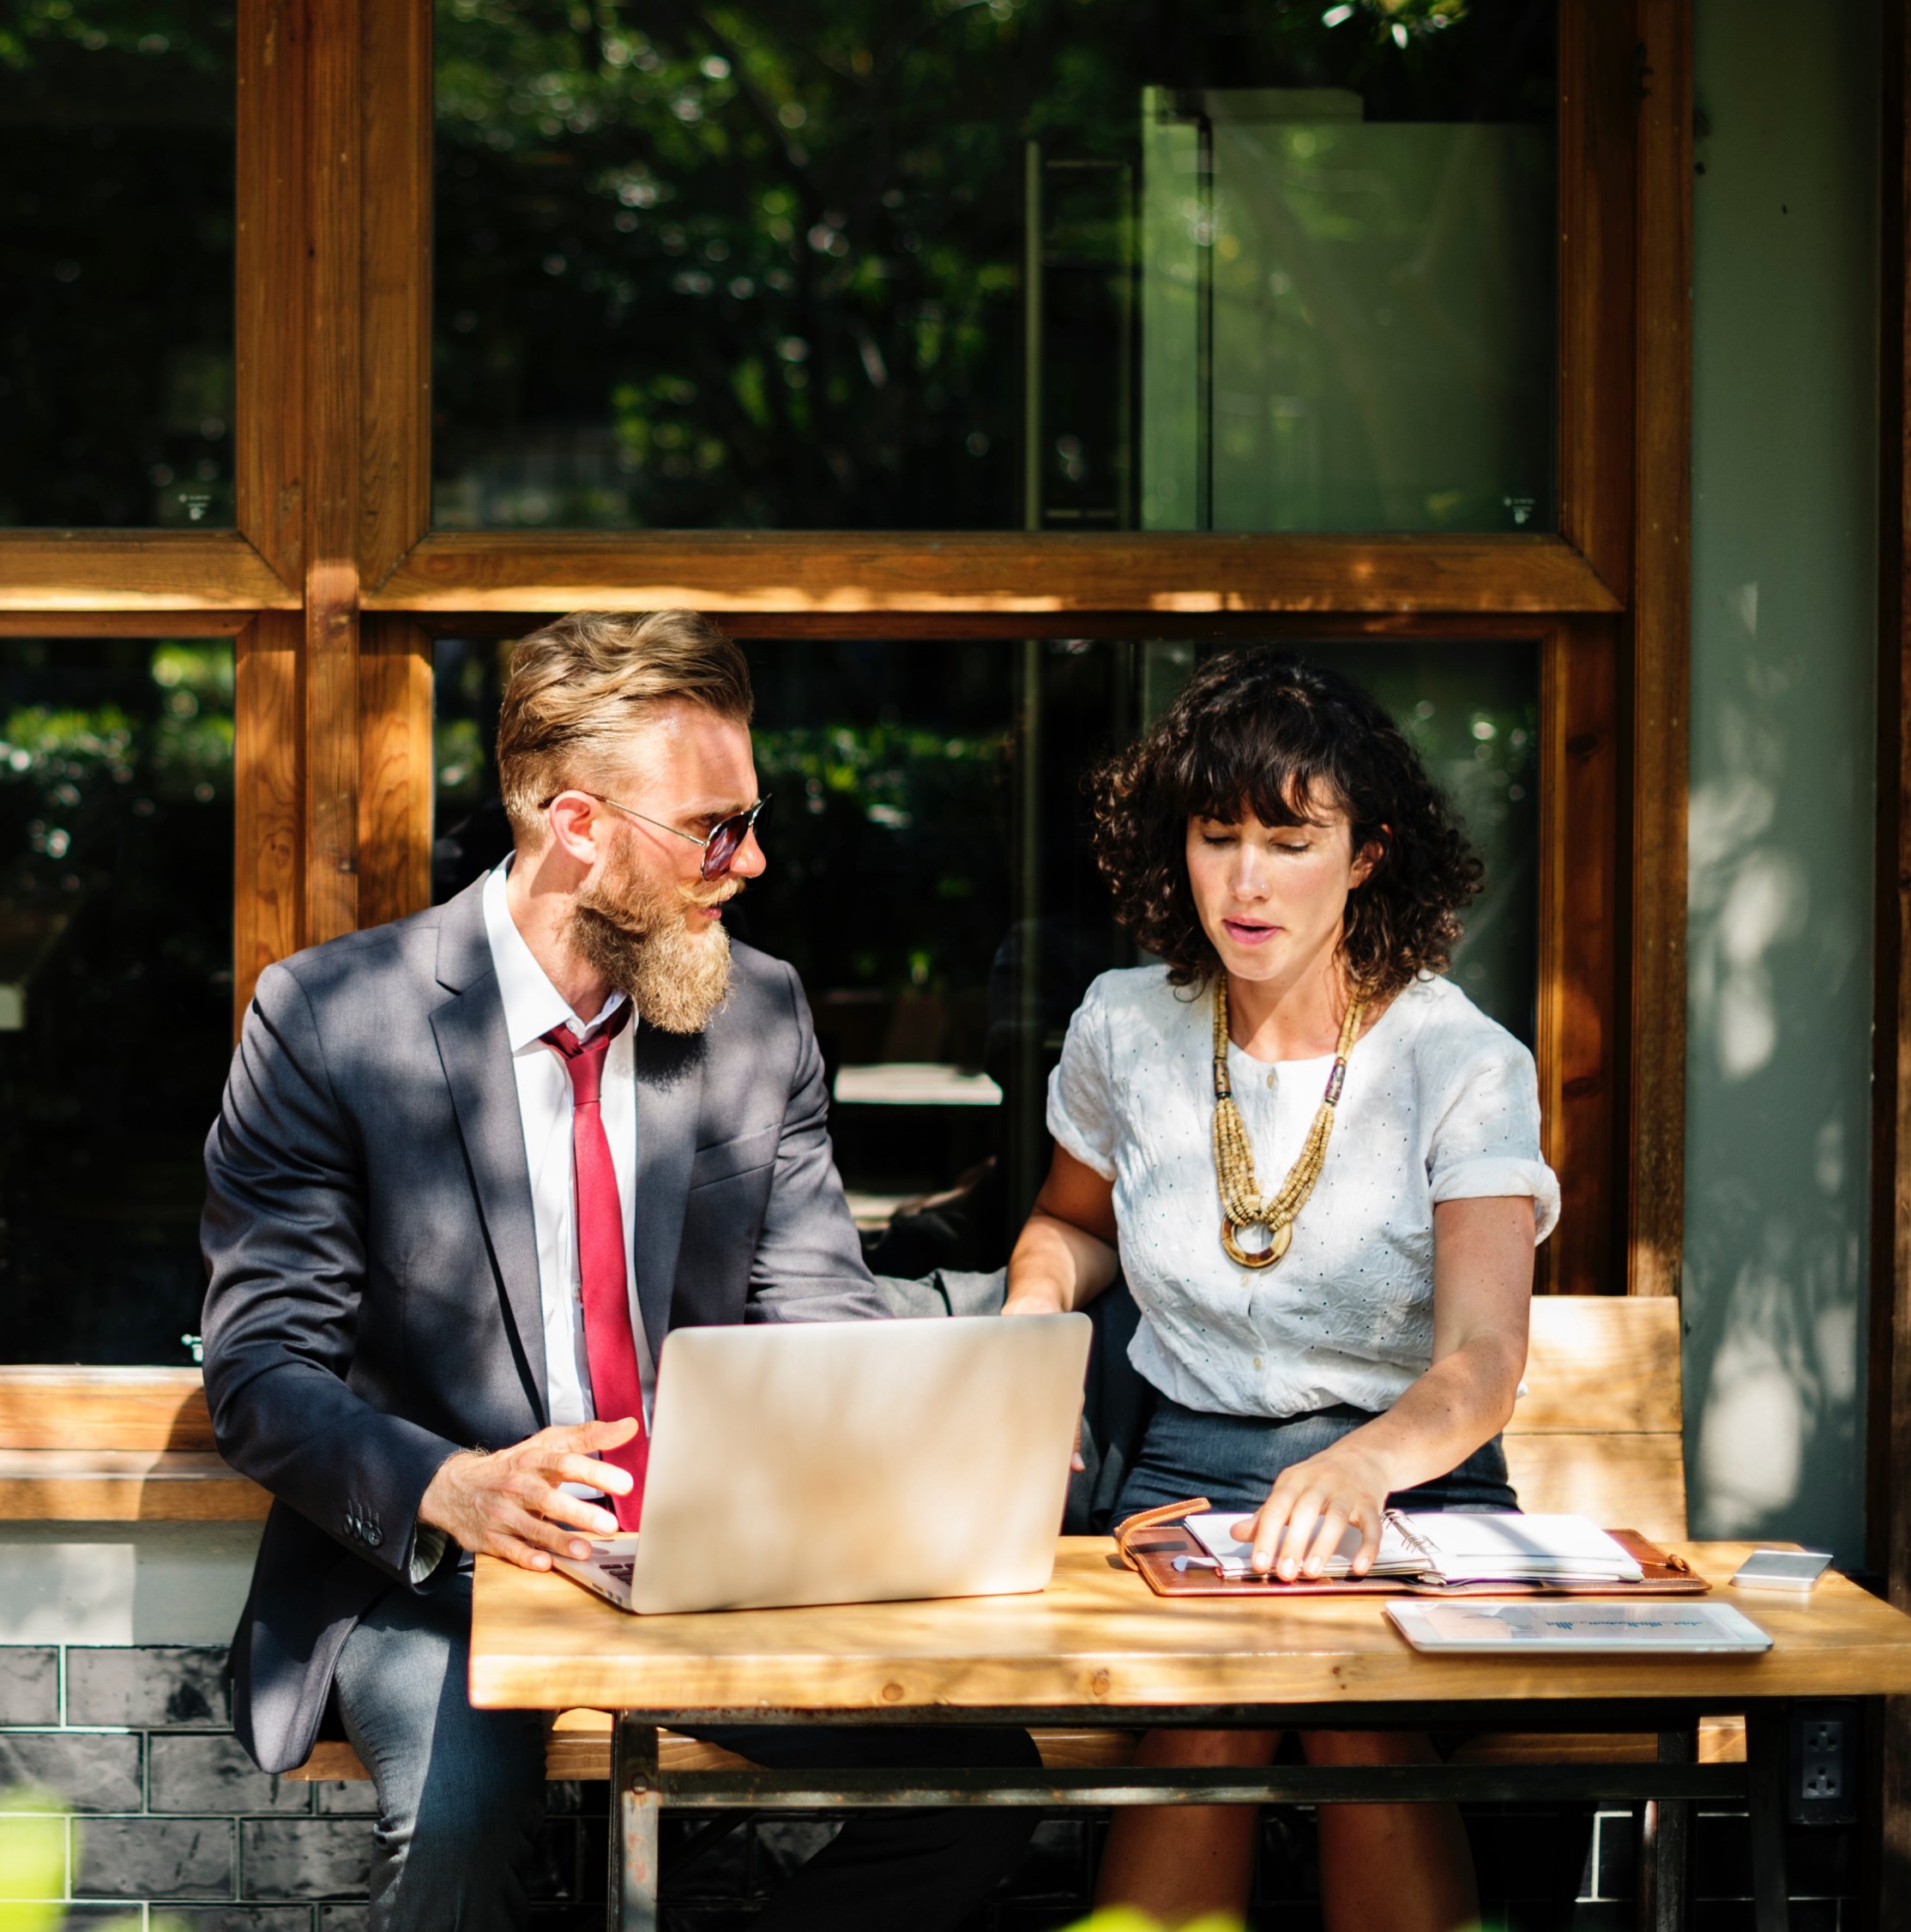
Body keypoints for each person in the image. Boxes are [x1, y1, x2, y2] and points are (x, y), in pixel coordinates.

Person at [201, 610, 1036, 1932]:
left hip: (697, 1565)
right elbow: (258, 1372)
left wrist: (922, 1448)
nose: (750, 859)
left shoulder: (758, 1016)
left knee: (977, 1790)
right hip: (443, 1577)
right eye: (714, 827)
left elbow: (815, 1321)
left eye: (751, 817)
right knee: (461, 1829)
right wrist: (451, 1488)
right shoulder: (328, 1022)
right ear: (577, 825)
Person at [1000, 649, 1555, 1932]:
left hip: (1413, 1486)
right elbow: (1067, 1225)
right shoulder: (1124, 1027)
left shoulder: (1460, 1059)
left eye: (1290, 838)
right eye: (1216, 835)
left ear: (1367, 855)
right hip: (1182, 1479)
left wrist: (1360, 1470)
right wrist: (1035, 1313)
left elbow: (1483, 1360)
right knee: (1211, 1715)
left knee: (1356, 1716)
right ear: (1177, 847)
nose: (1246, 880)